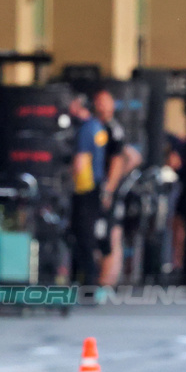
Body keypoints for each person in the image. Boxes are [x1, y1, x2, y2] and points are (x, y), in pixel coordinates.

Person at [94, 90, 143, 287]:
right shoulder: (95, 126)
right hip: (96, 188)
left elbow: (125, 159)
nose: (102, 107)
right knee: (101, 235)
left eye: (106, 103)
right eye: (99, 103)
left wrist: (110, 186)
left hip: (108, 192)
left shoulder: (113, 130)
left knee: (111, 234)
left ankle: (106, 283)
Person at [68, 94, 109, 297]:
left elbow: (80, 163)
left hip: (84, 190)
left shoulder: (84, 129)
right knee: (88, 236)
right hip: (96, 188)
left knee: (82, 236)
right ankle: (87, 282)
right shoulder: (97, 127)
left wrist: (67, 181)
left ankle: (88, 284)